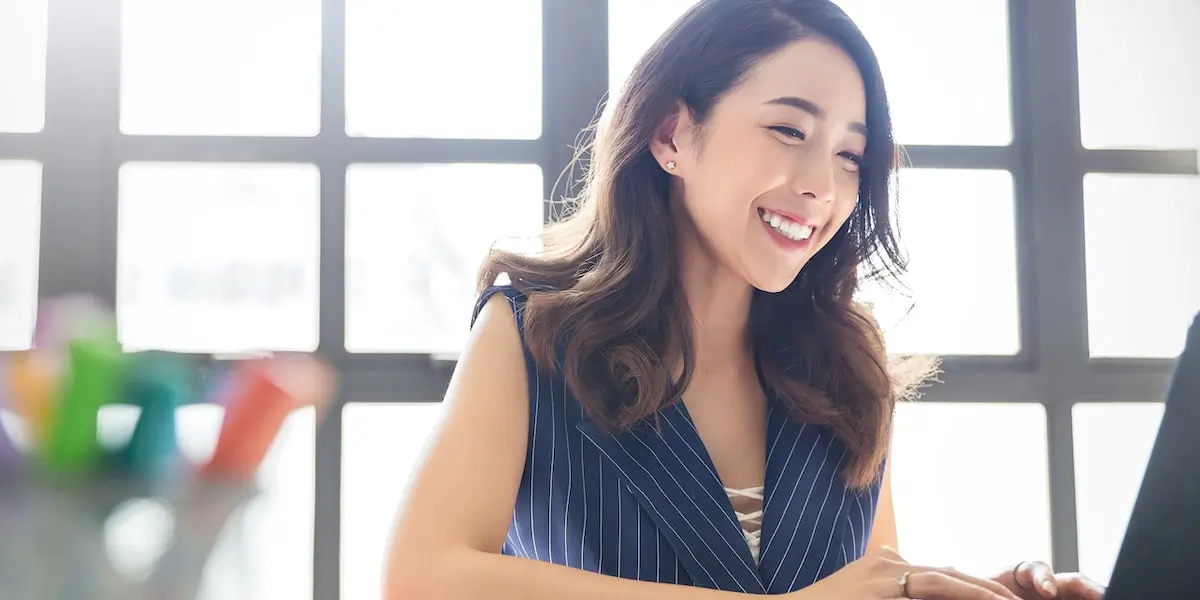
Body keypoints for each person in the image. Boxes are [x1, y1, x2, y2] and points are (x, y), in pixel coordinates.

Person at [384, 1, 1105, 598]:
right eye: (788, 130)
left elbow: (861, 586)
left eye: (849, 154)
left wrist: (962, 589)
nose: (822, 185)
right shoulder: (534, 332)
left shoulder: (848, 368)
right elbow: (421, 579)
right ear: (672, 134)